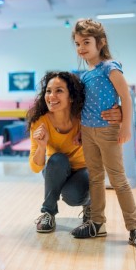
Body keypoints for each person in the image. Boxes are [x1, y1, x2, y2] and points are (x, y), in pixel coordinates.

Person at [69, 18, 136, 251]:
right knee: (95, 178)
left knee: (118, 179)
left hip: (107, 131)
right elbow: (83, 106)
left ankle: (135, 228)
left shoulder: (110, 67)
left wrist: (126, 126)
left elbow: (125, 97)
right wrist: (79, 131)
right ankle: (97, 222)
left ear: (101, 42)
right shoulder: (86, 75)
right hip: (88, 132)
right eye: (77, 44)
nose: (81, 48)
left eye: (86, 42)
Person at [27, 71, 122, 233]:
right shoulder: (40, 122)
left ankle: (89, 206)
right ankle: (48, 213)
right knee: (56, 160)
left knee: (72, 196)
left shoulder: (84, 117)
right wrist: (42, 146)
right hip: (57, 170)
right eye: (48, 91)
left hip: (85, 170)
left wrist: (120, 112)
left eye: (59, 91)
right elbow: (36, 168)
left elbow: (110, 127)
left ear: (71, 97)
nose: (51, 96)